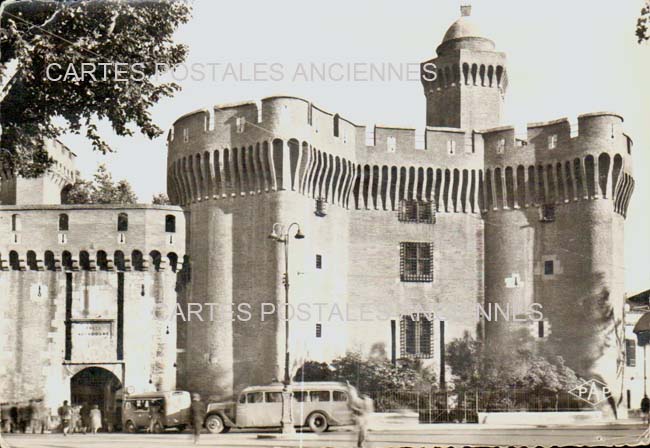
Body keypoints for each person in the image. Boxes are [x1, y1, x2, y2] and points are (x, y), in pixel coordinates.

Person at [346, 382, 373, 448]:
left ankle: (361, 444)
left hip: (364, 418)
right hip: (360, 418)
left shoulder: (367, 400)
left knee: (363, 432)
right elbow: (351, 407)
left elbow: (369, 410)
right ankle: (360, 444)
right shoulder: (357, 400)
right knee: (362, 432)